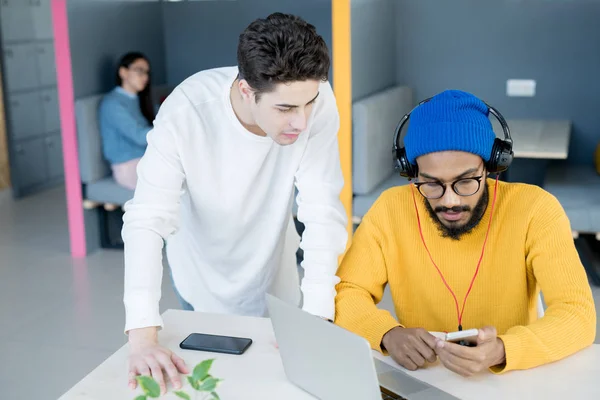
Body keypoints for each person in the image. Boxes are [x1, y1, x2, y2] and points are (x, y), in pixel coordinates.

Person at [124, 13, 348, 394]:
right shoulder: (186, 111)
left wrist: (318, 314)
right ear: (247, 91)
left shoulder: (316, 100)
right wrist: (143, 336)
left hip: (274, 272)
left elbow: (321, 209)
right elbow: (147, 219)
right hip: (200, 275)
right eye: (285, 109)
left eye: (308, 103)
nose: (302, 120)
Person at [334, 90, 596, 377]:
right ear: (412, 172)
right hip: (425, 380)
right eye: (432, 184)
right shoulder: (389, 209)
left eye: (466, 181)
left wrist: (502, 349)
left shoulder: (536, 210)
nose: (449, 201)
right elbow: (347, 292)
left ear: (492, 166)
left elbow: (577, 314)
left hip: (513, 381)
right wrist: (387, 333)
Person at [99, 52, 155, 190]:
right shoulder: (112, 104)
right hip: (129, 166)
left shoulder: (139, 100)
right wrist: (170, 131)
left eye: (147, 72)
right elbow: (139, 136)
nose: (145, 77)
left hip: (146, 160)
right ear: (123, 72)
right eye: (139, 70)